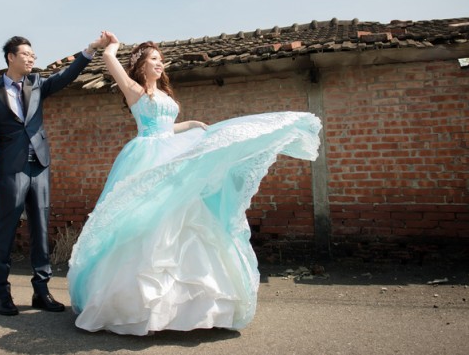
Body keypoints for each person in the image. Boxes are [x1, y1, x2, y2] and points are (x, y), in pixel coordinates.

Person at [68, 32, 322, 335]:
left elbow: (167, 126)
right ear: (140, 65)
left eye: (161, 60)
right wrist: (110, 46)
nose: (160, 64)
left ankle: (199, 309)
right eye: (154, 59)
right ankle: (141, 306)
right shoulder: (134, 90)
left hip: (172, 151)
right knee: (151, 219)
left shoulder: (163, 94)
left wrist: (190, 125)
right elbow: (111, 61)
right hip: (148, 156)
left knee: (186, 215)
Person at [0, 33, 109, 316]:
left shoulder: (37, 83)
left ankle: (41, 291)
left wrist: (90, 50)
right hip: (11, 169)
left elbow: (66, 75)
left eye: (33, 55)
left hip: (40, 167)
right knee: (6, 231)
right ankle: (1, 294)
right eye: (26, 54)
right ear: (11, 57)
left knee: (41, 229)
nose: (31, 58)